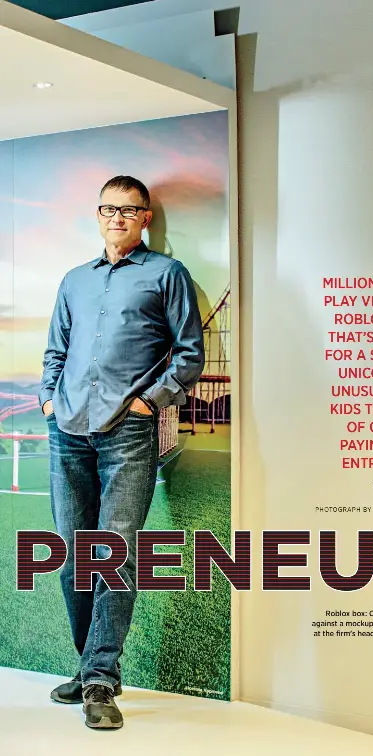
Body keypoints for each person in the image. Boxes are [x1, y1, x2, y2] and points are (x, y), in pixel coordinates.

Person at [38, 175, 205, 730]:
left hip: (126, 434)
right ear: (98, 214)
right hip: (67, 430)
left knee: (112, 554)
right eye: (109, 209)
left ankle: (102, 681)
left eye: (129, 210)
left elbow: (188, 354)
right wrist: (47, 398)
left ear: (146, 217)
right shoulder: (74, 280)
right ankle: (89, 668)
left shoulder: (167, 275)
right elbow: (55, 348)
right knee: (72, 553)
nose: (118, 218)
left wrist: (148, 404)